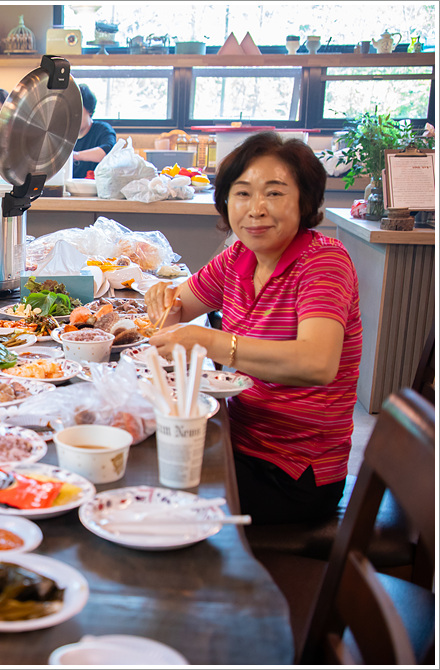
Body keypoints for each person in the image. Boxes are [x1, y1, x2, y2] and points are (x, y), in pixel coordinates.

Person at [144, 132, 362, 525]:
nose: (256, 209)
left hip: (294, 473)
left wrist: (210, 341)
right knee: (142, 453)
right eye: (242, 193)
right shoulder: (239, 257)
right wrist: (163, 298)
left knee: (154, 486)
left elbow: (318, 363)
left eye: (274, 193)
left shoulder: (324, 262)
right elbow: (179, 308)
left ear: (305, 202)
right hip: (238, 439)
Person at [71, 83, 117, 178]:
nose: (74, 117)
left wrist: (75, 156)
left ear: (90, 111)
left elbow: (107, 152)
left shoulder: (103, 130)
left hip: (96, 185)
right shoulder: (64, 135)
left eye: (77, 112)